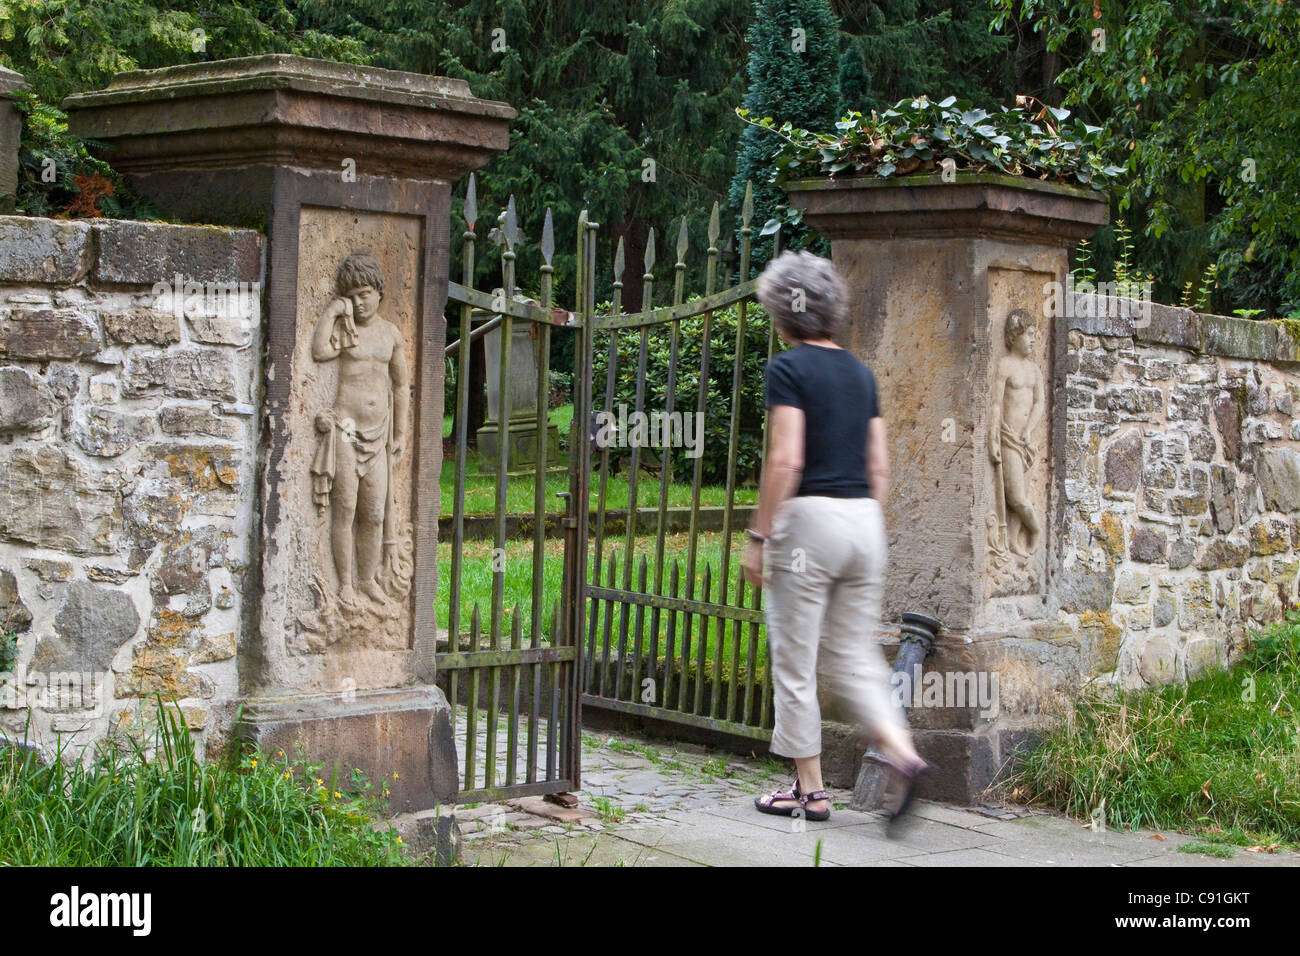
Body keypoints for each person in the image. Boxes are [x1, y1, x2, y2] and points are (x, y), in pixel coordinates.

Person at [742, 249, 927, 828]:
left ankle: (811, 793)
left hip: (810, 524)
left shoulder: (788, 369)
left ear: (782, 313)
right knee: (852, 656)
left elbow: (786, 459)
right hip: (864, 522)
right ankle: (903, 751)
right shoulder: (861, 373)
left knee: (795, 660)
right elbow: (880, 468)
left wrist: (759, 536)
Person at [309, 251, 409, 610]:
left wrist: (400, 433)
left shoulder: (390, 335)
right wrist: (333, 312)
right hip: (346, 429)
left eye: (365, 293)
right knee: (346, 508)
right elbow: (320, 351)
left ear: (379, 292)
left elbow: (400, 386)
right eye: (351, 297)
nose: (359, 302)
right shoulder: (346, 331)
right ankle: (346, 585)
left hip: (378, 433)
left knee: (374, 513)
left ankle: (367, 581)